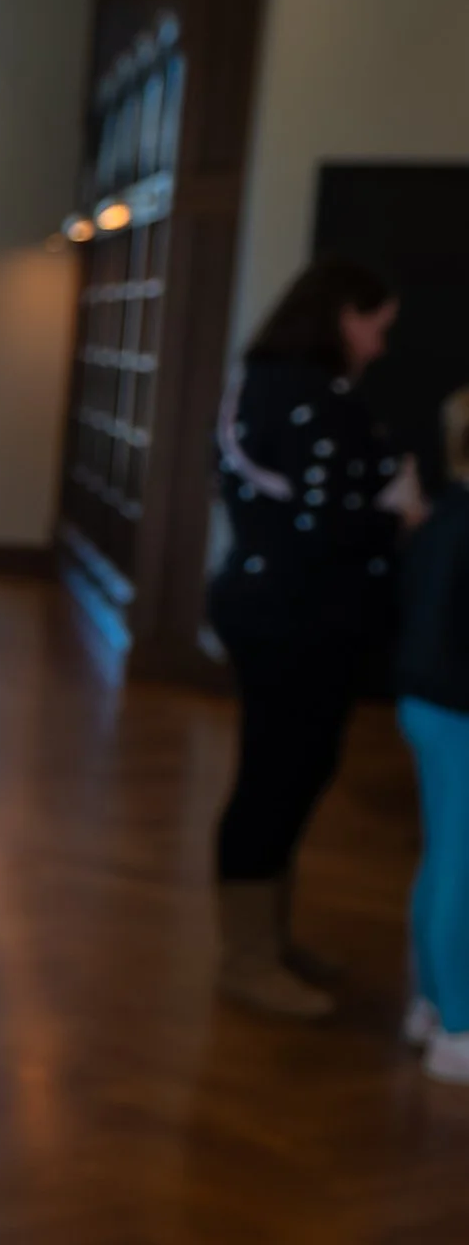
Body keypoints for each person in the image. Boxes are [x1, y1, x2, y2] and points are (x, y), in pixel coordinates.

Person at [208, 257, 419, 1016]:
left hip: (270, 603)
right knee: (279, 774)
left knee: (288, 769)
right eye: (376, 326)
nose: (380, 345)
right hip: (295, 614)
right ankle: (249, 957)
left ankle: (268, 940)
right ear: (341, 316)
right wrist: (401, 515)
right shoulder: (315, 397)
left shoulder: (262, 380)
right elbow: (325, 526)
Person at [398, 385, 469, 1083]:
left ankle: (429, 1004)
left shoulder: (444, 513)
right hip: (457, 713)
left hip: (426, 703)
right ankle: (459, 1026)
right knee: (461, 865)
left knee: (444, 856)